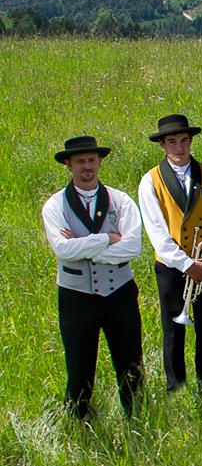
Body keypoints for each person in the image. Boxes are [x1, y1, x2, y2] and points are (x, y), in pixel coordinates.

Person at [44, 134, 145, 419]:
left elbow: (133, 246)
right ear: (68, 165)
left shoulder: (120, 200)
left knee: (130, 363)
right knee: (79, 366)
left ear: (100, 161)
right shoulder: (55, 205)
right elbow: (62, 249)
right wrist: (107, 239)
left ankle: (136, 417)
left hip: (120, 293)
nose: (87, 166)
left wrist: (85, 245)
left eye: (91, 160)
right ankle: (80, 424)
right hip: (76, 297)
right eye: (80, 161)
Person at [136, 112, 202, 393]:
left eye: (184, 141)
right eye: (172, 142)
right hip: (173, 267)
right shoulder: (150, 180)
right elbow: (156, 232)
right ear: (162, 145)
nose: (179, 147)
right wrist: (186, 264)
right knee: (173, 329)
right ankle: (175, 387)